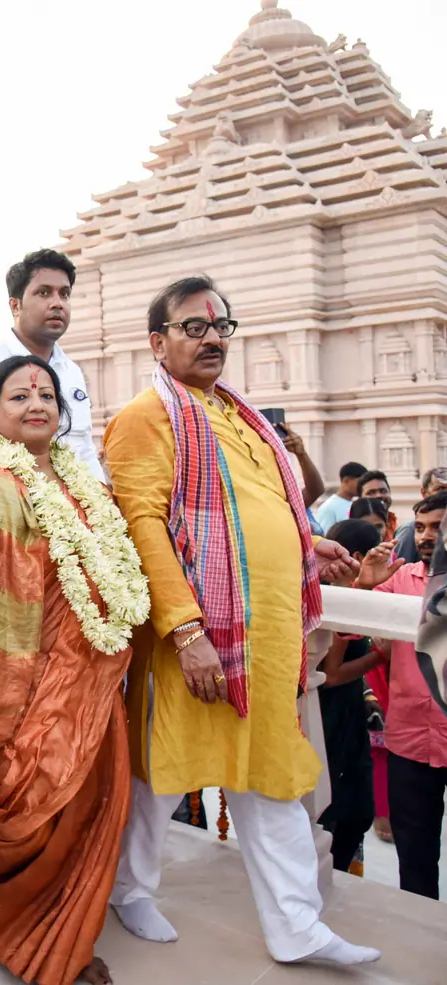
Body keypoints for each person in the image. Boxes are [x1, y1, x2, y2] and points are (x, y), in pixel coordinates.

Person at [103, 275, 378, 966]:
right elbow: (145, 527)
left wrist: (309, 544)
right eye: (194, 327)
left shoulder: (240, 414)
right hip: (194, 641)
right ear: (157, 342)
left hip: (264, 635)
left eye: (221, 325)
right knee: (157, 778)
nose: (213, 337)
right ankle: (129, 889)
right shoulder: (147, 414)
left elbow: (244, 509)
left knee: (270, 779)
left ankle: (297, 926)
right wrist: (188, 633)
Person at [0, 355, 147, 985]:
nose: (36, 404)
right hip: (36, 684)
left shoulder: (83, 484)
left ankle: (55, 941)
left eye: (46, 393)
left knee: (95, 805)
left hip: (97, 674)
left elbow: (118, 562)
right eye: (18, 396)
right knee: (35, 810)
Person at [0, 249, 102, 503]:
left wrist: (106, 509)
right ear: (15, 305)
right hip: (6, 517)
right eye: (44, 292)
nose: (57, 302)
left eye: (64, 293)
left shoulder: (70, 372)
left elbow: (83, 450)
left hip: (74, 523)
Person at [368, 490, 447, 898]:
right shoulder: (399, 579)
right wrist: (364, 585)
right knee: (415, 858)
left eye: (437, 526)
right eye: (420, 527)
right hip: (410, 739)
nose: (426, 536)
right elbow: (356, 631)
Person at [315, 519, 397, 874]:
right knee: (339, 813)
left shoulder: (351, 594)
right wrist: (381, 656)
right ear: (358, 557)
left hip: (348, 718)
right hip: (328, 720)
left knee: (359, 810)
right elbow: (331, 674)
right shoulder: (328, 598)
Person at [395, 468, 447, 563]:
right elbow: (400, 566)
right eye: (441, 489)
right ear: (424, 493)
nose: (425, 536)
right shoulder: (409, 529)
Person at [314, 461, 368, 531]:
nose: (363, 486)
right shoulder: (329, 507)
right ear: (346, 480)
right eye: (360, 482)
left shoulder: (356, 504)